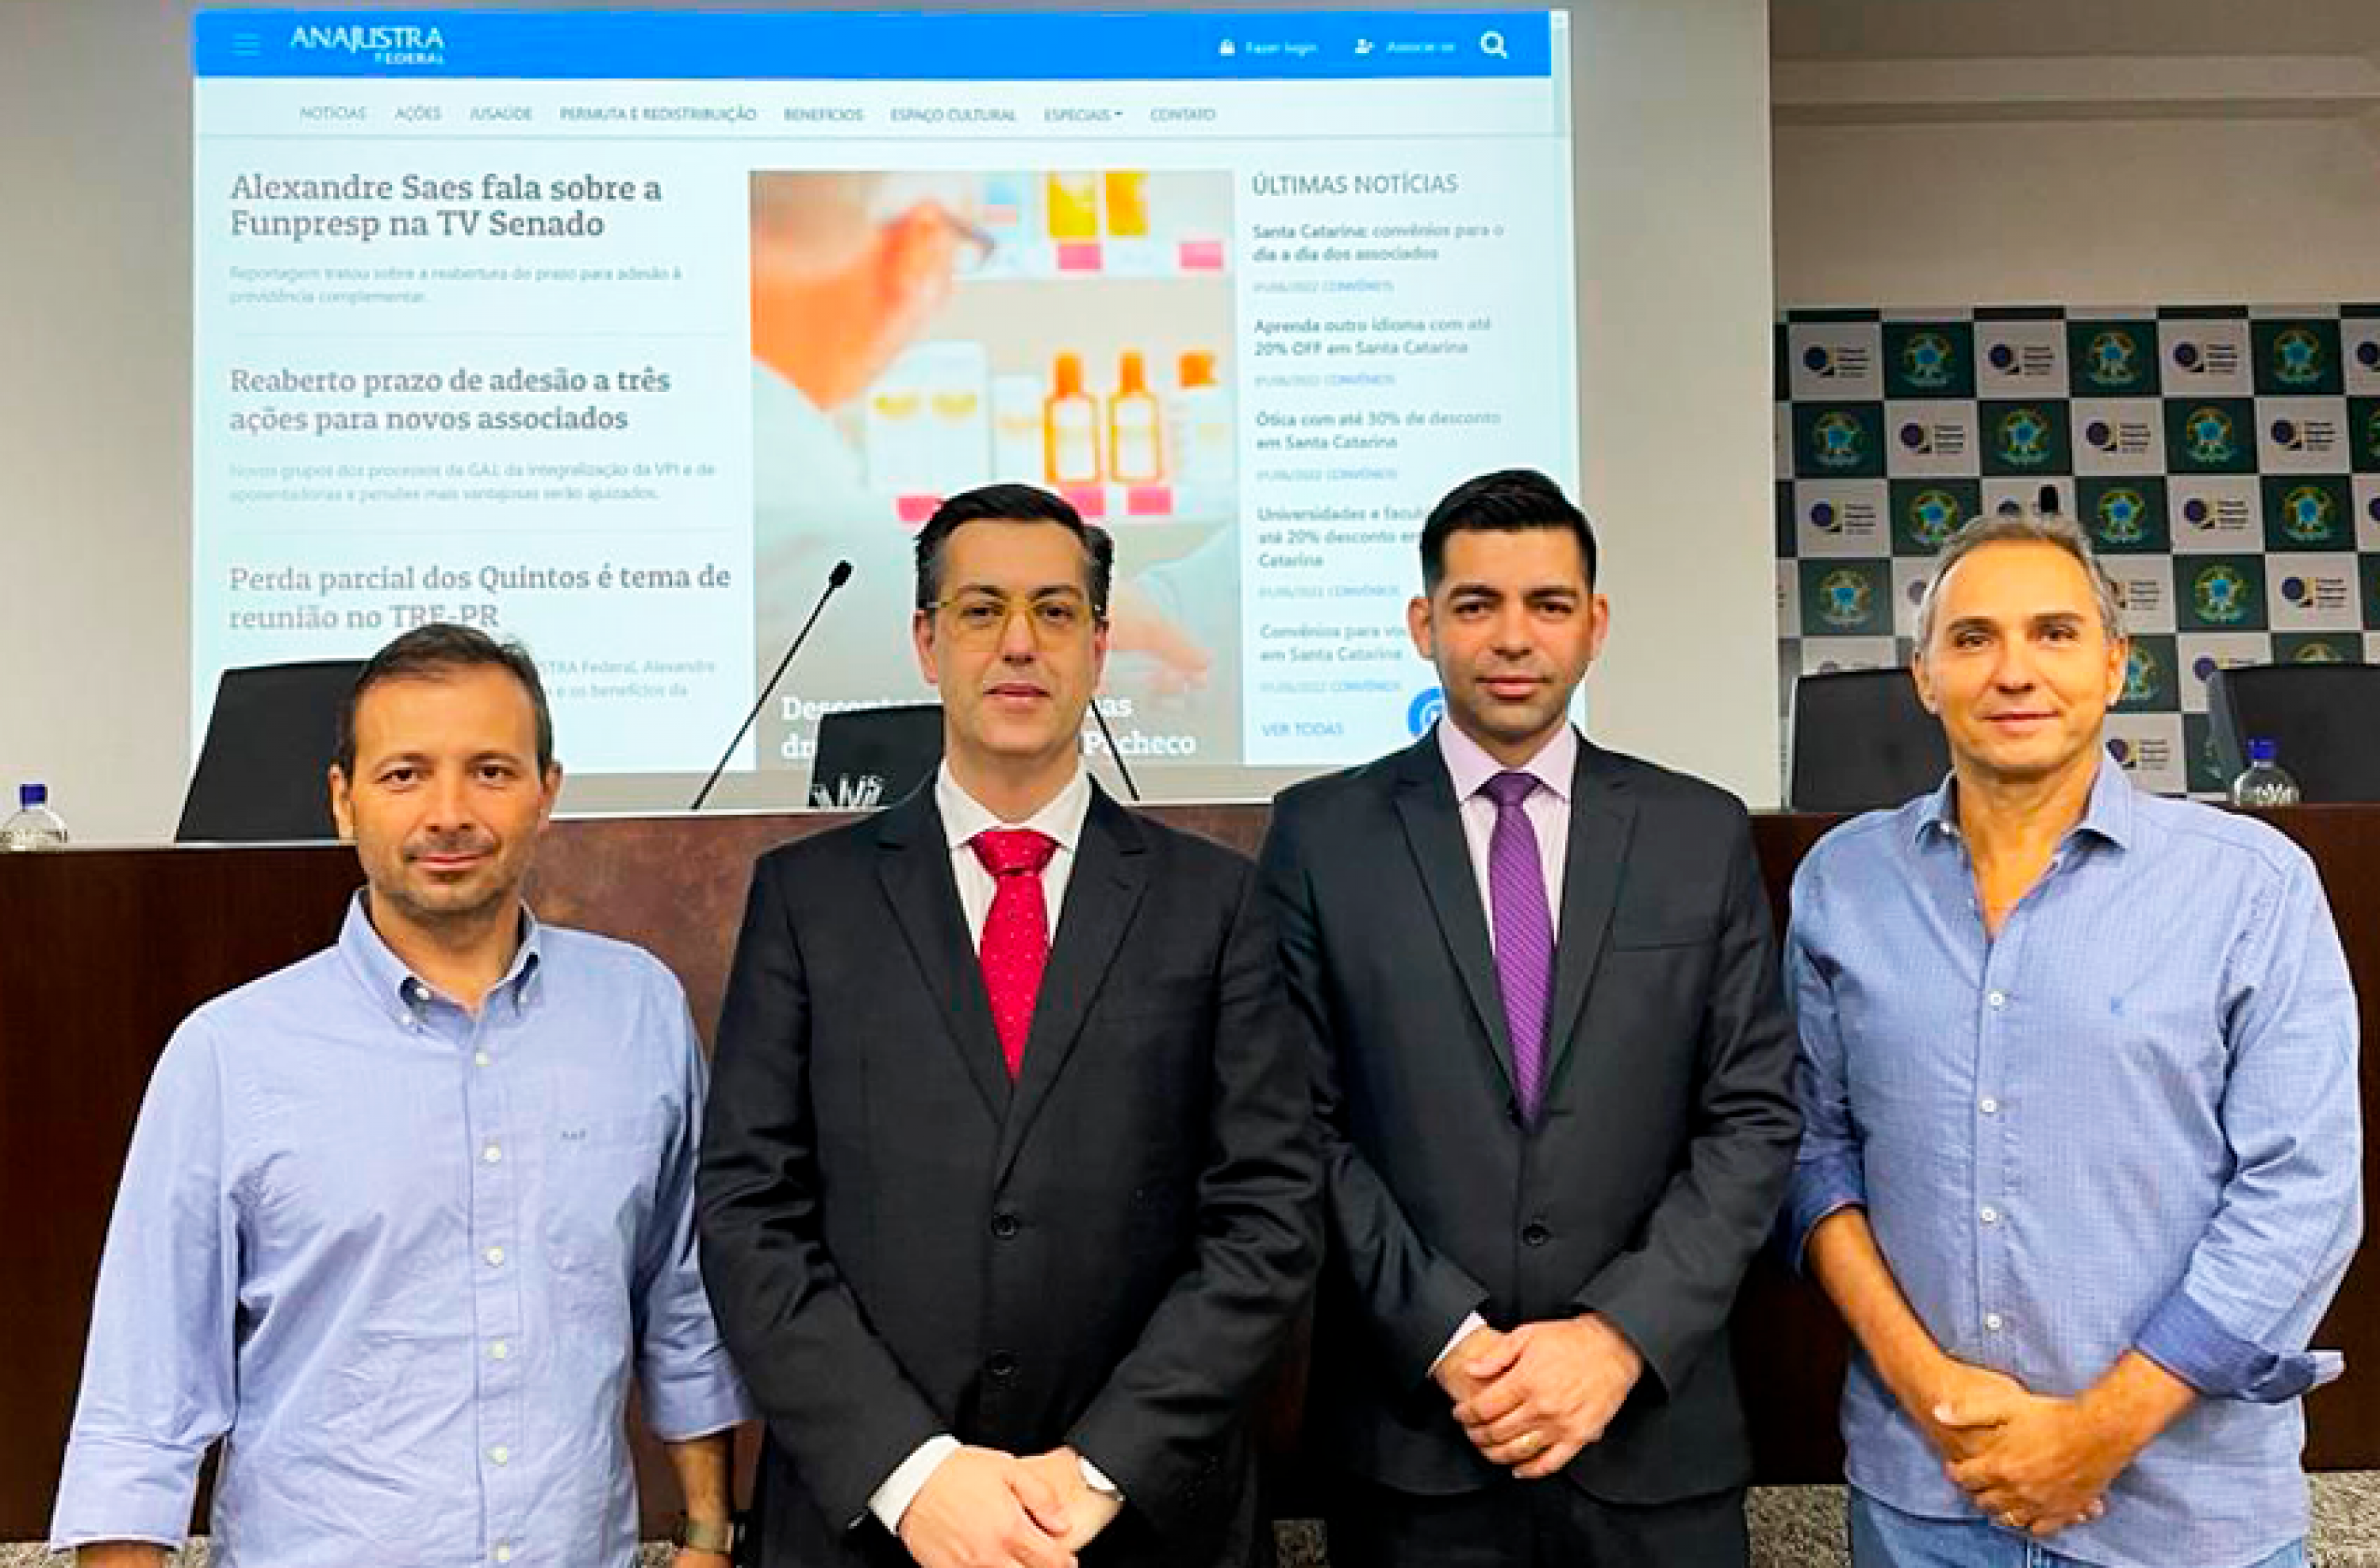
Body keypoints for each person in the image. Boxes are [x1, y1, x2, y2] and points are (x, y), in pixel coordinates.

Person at [697, 482, 1320, 1568]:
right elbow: (750, 1212)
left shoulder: (1215, 904)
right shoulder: (808, 901)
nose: (1019, 643)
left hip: (1140, 1523)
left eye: (1055, 611)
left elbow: (1267, 1217)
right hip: (873, 1525)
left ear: (1099, 644)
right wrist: (913, 1472)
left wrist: (1098, 1470)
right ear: (927, 642)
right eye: (982, 611)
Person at [50, 624, 750, 1567]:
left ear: (549, 792)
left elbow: (683, 1296)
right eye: (404, 773)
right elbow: (143, 1395)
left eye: (492, 770)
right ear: (343, 801)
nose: (450, 811)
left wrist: (708, 1530)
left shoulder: (637, 1011)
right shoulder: (228, 1053)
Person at [1785, 508, 2362, 1568]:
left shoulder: (2253, 885)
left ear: (2113, 664)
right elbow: (1816, 1158)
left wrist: (2099, 1431)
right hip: (1926, 1493)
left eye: (2053, 633)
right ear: (1924, 676)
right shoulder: (1842, 885)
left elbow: (2307, 1193)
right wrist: (1936, 1391)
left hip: (2187, 1514)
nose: (2014, 671)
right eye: (1973, 639)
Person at [1258, 468, 1802, 1566]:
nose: (1513, 637)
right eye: (1476, 605)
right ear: (1424, 625)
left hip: (1654, 1437)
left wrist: (1614, 1340)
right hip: (1418, 1445)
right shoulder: (1322, 837)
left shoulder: (1697, 833)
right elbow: (1294, 1126)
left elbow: (1753, 1118)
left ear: (1594, 626)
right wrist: (1450, 1341)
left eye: (1547, 605)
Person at [749, 173, 1212, 776]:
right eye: (962, 249)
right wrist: (1067, 609)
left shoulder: (767, 431)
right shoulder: (792, 482)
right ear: (920, 247)